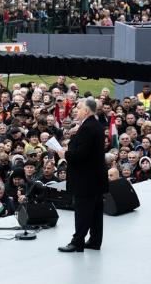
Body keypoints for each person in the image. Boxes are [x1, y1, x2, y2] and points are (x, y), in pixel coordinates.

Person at [58, 98, 107, 253]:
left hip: (86, 180)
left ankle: (77, 242)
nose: (75, 110)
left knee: (83, 213)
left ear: (86, 110)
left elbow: (81, 155)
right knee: (96, 212)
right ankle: (94, 240)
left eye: (78, 108)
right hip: (96, 178)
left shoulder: (87, 128)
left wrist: (64, 153)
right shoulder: (96, 125)